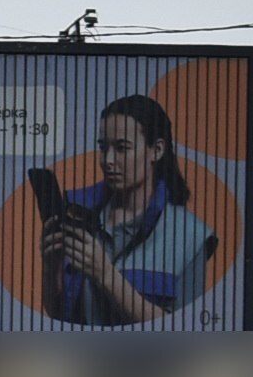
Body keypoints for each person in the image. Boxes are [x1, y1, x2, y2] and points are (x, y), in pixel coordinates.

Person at [40, 94, 219, 328]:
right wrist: (51, 268)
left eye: (122, 148)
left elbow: (184, 331)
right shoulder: (80, 217)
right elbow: (60, 316)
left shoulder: (191, 237)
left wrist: (106, 275)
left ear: (156, 150)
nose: (108, 160)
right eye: (103, 148)